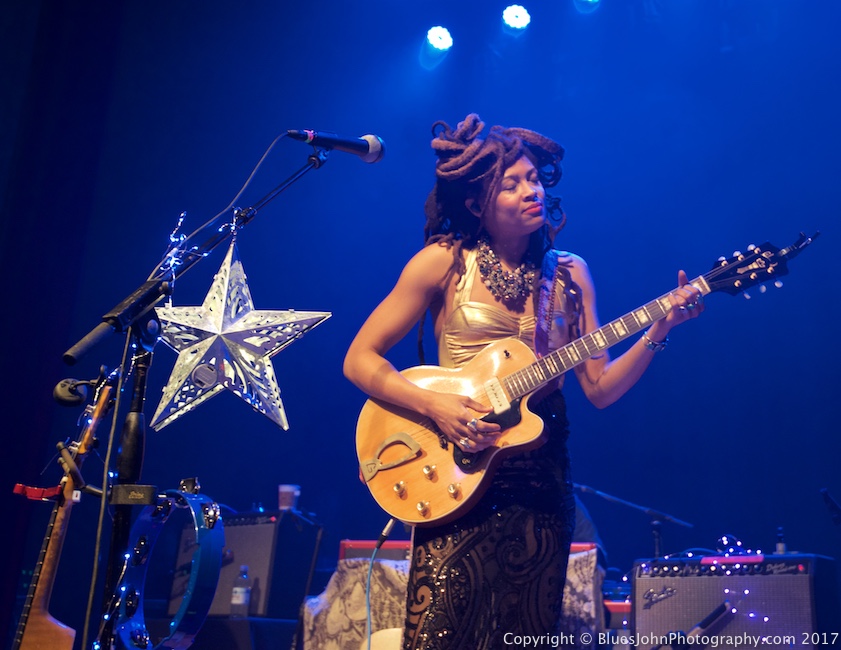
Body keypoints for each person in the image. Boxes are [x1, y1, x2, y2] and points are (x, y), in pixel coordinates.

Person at [343, 114, 703, 649]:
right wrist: (435, 408)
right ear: (474, 204)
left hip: (539, 478)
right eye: (510, 184)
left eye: (533, 178)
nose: (530, 190)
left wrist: (659, 328)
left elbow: (600, 389)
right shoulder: (441, 263)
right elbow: (360, 360)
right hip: (454, 468)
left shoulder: (571, 274)